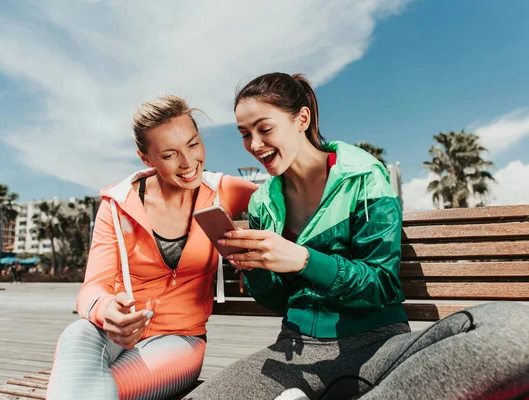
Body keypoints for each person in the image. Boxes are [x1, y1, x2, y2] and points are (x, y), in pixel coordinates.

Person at [185, 73, 529, 400]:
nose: (254, 145)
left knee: (514, 331)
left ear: (301, 119)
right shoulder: (263, 202)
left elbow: (381, 285)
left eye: (264, 129)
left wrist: (304, 259)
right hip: (295, 351)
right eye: (245, 134)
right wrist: (254, 268)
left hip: (377, 346)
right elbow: (280, 301)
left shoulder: (364, 177)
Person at [46, 95, 257, 400]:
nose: (188, 163)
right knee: (76, 334)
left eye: (194, 144)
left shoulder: (223, 191)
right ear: (147, 159)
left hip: (181, 340)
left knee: (91, 385)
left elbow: (287, 203)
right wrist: (108, 312)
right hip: (115, 333)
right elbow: (91, 290)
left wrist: (259, 238)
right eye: (170, 154)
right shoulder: (117, 206)